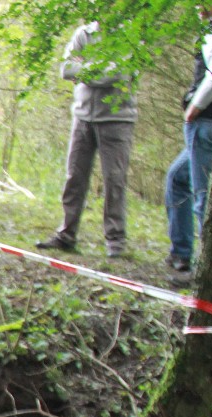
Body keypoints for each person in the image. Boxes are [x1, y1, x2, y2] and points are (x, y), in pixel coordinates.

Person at [35, 21, 138, 259]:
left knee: (114, 180)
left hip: (117, 119)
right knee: (74, 177)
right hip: (82, 117)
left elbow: (119, 73)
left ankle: (116, 241)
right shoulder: (84, 33)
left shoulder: (130, 35)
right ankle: (66, 236)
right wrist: (98, 69)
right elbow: (66, 69)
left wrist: (84, 71)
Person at [164, 3, 212, 276]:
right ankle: (181, 253)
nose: (197, 7)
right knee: (177, 178)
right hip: (207, 123)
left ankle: (206, 271)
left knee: (202, 197)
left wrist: (194, 108)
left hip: (205, 121)